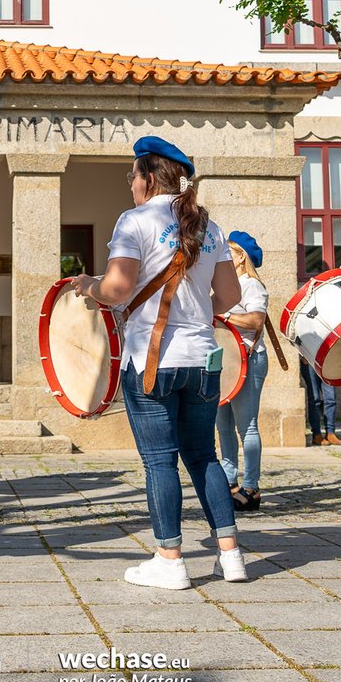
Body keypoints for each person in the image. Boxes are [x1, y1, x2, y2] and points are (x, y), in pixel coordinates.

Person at [70, 136, 248, 588]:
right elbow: (229, 296)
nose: (130, 183)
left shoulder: (136, 220)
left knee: (160, 463)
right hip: (202, 359)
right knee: (204, 455)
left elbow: (116, 290)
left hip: (153, 359)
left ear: (149, 176)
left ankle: (170, 559)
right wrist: (193, 315)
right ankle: (231, 556)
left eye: (132, 175)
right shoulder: (209, 225)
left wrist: (89, 284)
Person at [216, 231, 270, 513]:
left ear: (240, 257)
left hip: (248, 360)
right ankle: (228, 482)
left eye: (229, 252)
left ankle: (251, 487)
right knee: (222, 425)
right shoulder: (226, 287)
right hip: (226, 363)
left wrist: (223, 316)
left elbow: (255, 320)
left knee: (246, 426)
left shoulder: (251, 286)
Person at [303, 365, 341, 445]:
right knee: (314, 399)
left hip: (327, 363)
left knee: (331, 398)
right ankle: (316, 434)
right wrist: (303, 357)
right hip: (309, 362)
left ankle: (330, 433)